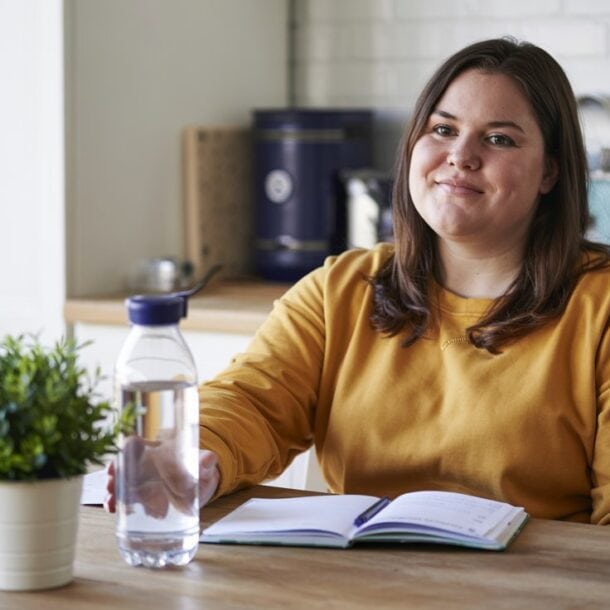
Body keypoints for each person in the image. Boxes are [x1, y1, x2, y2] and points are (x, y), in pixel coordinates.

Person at [106, 36, 610, 524]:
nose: (461, 155)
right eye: (442, 130)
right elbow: (250, 401)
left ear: (550, 173)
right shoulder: (340, 289)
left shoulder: (600, 305)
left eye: (499, 139)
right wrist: (193, 454)